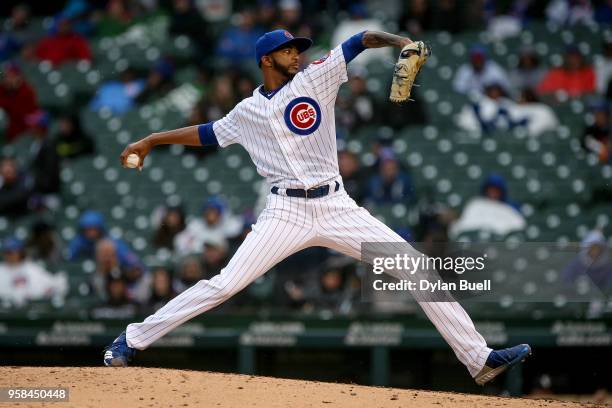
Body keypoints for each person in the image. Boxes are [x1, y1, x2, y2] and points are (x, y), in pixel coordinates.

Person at [105, 28, 531, 386]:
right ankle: (132, 339)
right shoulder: (246, 111)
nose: (297, 55)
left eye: (298, 49)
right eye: (288, 50)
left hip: (336, 205)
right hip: (284, 213)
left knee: (415, 266)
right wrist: (151, 140)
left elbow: (360, 40)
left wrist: (401, 39)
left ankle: (479, 359)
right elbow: (206, 133)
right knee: (224, 285)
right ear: (266, 59)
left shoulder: (316, 80)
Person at [0, 237, 67, 308]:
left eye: (11, 252)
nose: (9, 255)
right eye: (6, 252)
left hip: (33, 308)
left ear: (20, 252)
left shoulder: (31, 267)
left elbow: (50, 286)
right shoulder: (1, 269)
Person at [0, 62, 39, 142]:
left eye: (12, 76)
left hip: (22, 132)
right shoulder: (3, 89)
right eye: (6, 77)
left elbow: (23, 114)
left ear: (19, 77)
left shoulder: (27, 91)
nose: (8, 79)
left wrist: (11, 96)